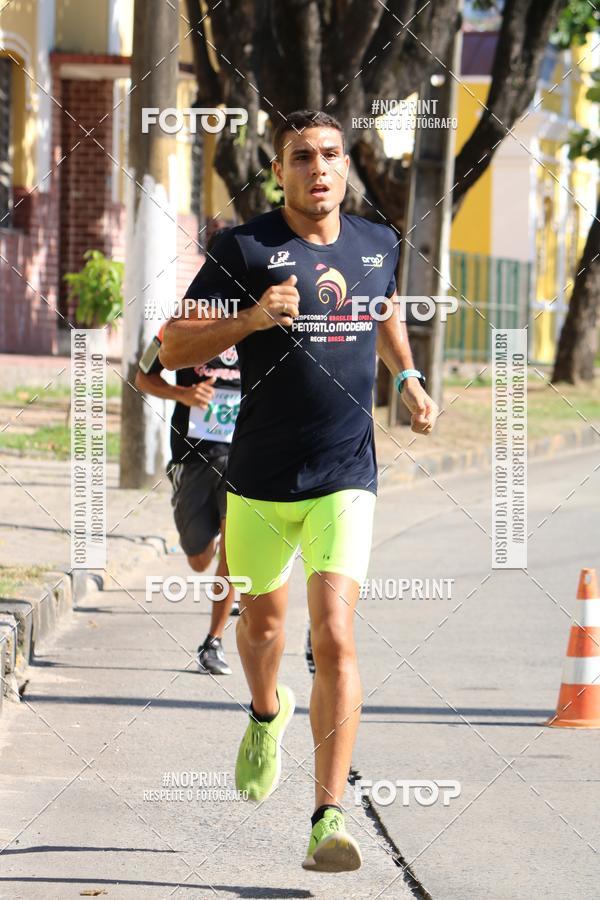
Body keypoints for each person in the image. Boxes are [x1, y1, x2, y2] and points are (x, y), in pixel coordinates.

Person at [160, 110, 438, 872]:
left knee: (336, 637)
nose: (319, 168)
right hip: (258, 479)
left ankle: (326, 817)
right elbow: (173, 343)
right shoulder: (244, 248)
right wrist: (251, 317)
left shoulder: (377, 244)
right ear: (279, 171)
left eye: (330, 155)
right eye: (301, 157)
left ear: (345, 165)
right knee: (261, 634)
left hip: (347, 474)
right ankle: (264, 712)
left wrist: (407, 378)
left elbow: (379, 310)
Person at [135, 229, 241, 676]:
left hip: (243, 456)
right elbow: (142, 376)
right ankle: (213, 551)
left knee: (231, 555)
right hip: (193, 457)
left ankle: (213, 641)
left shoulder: (255, 319)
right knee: (200, 557)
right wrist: (183, 396)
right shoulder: (182, 321)